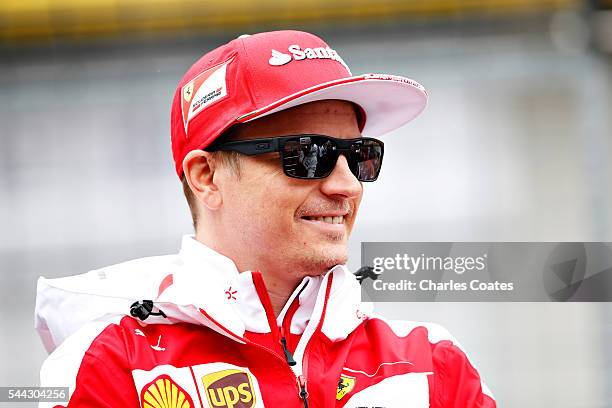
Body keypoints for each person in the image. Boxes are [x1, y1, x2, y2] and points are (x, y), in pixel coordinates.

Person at [35, 30, 496, 407]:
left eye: (360, 156)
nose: (347, 186)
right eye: (307, 154)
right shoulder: (110, 367)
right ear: (206, 177)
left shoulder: (430, 366)